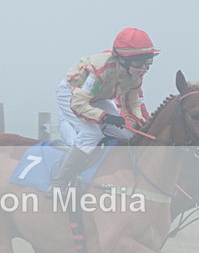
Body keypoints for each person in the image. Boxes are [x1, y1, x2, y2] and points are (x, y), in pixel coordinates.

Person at [53, 27, 159, 192]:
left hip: (98, 97)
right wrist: (104, 117)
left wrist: (140, 122)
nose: (144, 68)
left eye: (148, 62)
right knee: (92, 134)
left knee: (128, 134)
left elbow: (132, 103)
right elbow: (79, 104)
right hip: (72, 95)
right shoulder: (96, 72)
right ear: (122, 60)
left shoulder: (135, 75)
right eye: (139, 63)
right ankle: (59, 183)